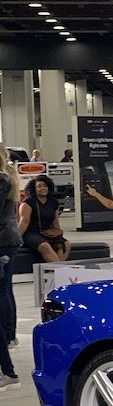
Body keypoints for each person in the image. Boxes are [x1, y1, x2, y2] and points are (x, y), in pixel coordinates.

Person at [0, 144, 23, 388]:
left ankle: (7, 335)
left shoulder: (1, 179)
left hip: (3, 240)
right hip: (10, 238)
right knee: (6, 290)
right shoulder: (9, 177)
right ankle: (10, 334)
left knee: (3, 292)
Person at [17, 174, 70, 263]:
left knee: (65, 245)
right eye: (39, 186)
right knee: (44, 246)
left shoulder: (53, 202)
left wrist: (59, 236)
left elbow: (55, 222)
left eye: (45, 186)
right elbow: (24, 222)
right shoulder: (28, 202)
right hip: (31, 233)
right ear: (34, 188)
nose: (43, 188)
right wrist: (17, 239)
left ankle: (54, 271)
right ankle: (60, 270)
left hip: (48, 232)